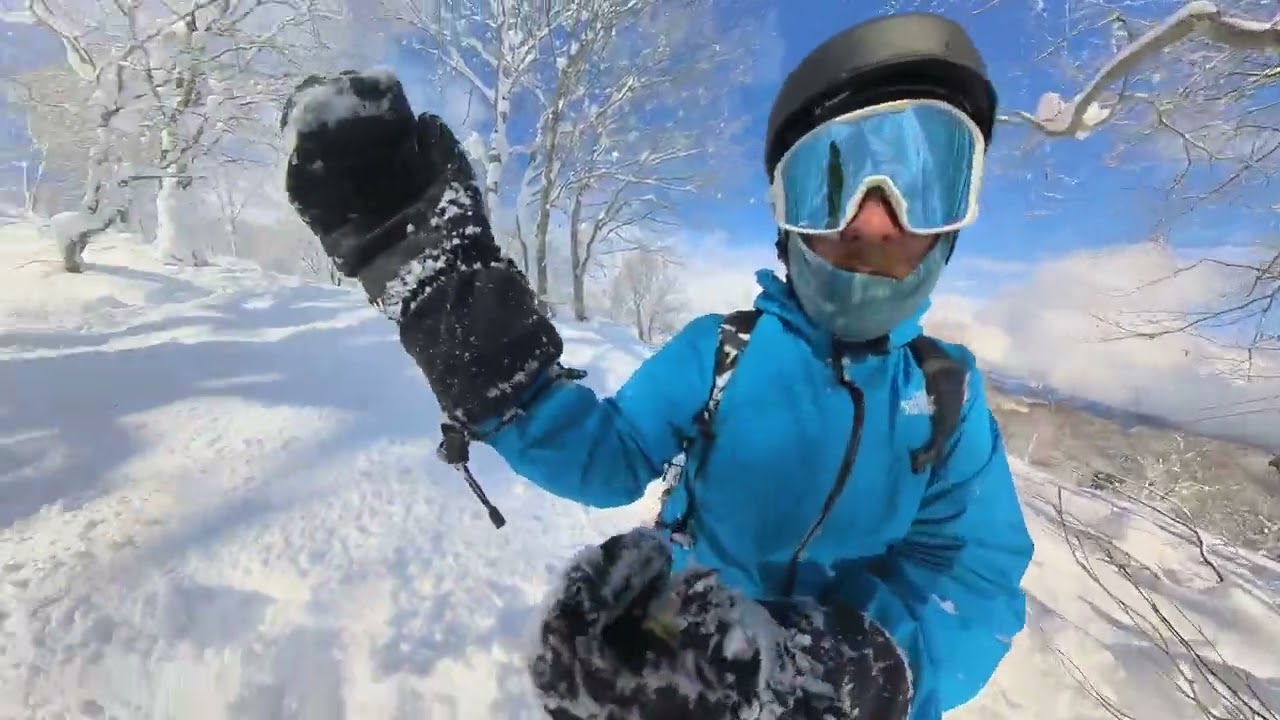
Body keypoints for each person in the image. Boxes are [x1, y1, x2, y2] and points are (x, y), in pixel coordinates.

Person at [282, 11, 1034, 720]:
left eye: (922, 181)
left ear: (955, 224)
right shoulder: (722, 352)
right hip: (691, 648)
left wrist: (844, 668)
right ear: (785, 218)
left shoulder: (947, 395)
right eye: (830, 182)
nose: (873, 217)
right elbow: (607, 458)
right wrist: (462, 319)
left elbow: (974, 581)